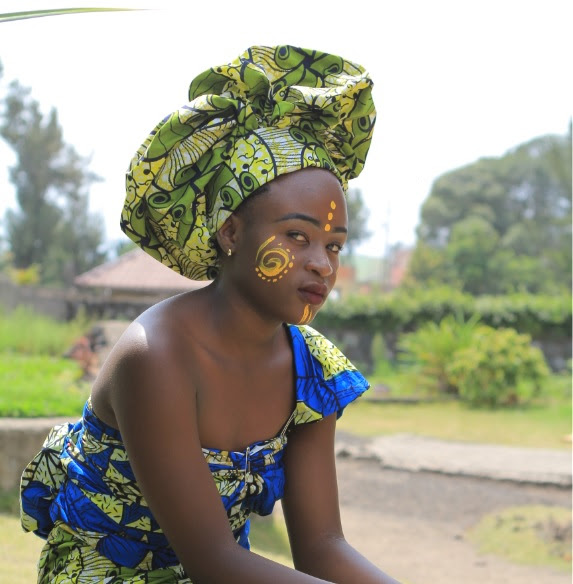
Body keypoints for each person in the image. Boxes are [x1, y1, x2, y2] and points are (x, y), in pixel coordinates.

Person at [20, 45, 401, 584]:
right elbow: (214, 562)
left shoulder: (313, 370)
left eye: (335, 246)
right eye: (296, 236)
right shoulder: (156, 356)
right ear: (231, 233)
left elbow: (321, 546)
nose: (321, 264)